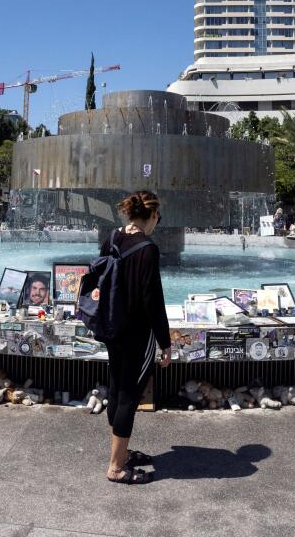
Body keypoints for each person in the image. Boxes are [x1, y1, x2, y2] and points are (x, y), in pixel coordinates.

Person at [99, 190, 171, 485]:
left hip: (112, 328)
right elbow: (152, 301)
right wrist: (165, 342)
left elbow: (98, 275)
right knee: (129, 396)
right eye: (159, 217)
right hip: (136, 335)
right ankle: (116, 467)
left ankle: (122, 453)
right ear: (152, 215)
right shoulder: (148, 249)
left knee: (116, 390)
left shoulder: (113, 237)